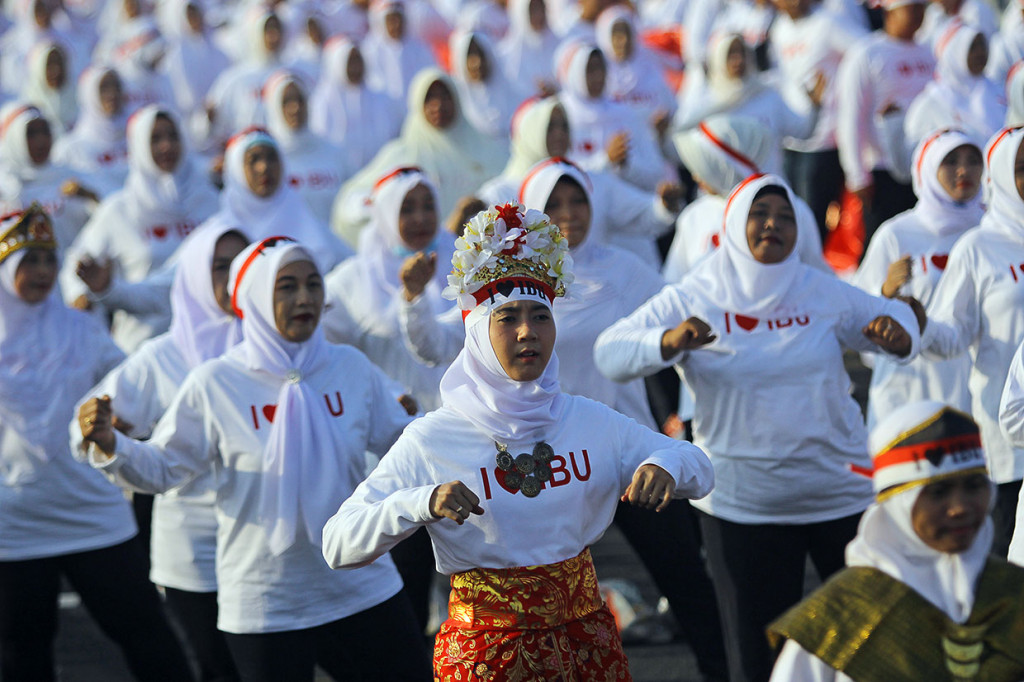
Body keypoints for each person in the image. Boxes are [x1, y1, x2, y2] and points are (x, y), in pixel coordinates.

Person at [322, 201, 715, 679]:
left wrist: (666, 465)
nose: (528, 332)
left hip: (585, 647)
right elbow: (338, 544)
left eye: (541, 316)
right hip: (486, 655)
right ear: (479, 332)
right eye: (507, 317)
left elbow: (699, 466)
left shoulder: (584, 418)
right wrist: (421, 502)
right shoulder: (434, 437)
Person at [594, 174, 920, 682]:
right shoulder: (698, 291)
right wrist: (668, 340)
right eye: (759, 214)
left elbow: (896, 327)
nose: (773, 225)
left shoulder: (818, 288)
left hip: (839, 493)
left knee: (876, 647)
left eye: (786, 216)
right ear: (733, 222)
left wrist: (899, 337)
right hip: (744, 504)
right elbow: (609, 353)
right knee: (756, 661)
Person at [79, 236, 431, 682]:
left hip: (360, 585)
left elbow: (402, 448)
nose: (304, 298)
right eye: (285, 286)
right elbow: (166, 467)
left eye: (313, 284)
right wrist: (114, 446)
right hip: (267, 600)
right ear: (254, 298)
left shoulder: (350, 367)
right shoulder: (217, 382)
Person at [0, 205, 193, 682]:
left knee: (149, 637)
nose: (44, 272)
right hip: (15, 522)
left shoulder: (81, 328)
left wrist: (123, 422)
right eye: (29, 261)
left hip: (92, 511)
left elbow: (133, 388)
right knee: (23, 654)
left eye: (49, 259)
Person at [72, 223, 249, 682]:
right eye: (220, 266)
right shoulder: (163, 356)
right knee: (219, 668)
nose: (233, 278)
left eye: (243, 265)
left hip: (265, 540)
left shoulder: (275, 346)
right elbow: (84, 428)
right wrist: (108, 432)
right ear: (191, 275)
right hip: (193, 549)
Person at [768, 401, 1024, 682]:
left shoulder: (1011, 591)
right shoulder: (842, 614)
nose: (960, 507)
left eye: (974, 486)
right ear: (897, 504)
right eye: (938, 492)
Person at [922, 125, 1024, 557]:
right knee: (1004, 563)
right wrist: (914, 322)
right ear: (999, 177)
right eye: (1021, 168)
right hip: (1008, 433)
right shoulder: (979, 247)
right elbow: (950, 336)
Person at [60, 105, 219, 352]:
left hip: (206, 341)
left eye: (173, 136)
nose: (166, 146)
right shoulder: (120, 209)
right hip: (142, 345)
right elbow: (77, 260)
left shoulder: (209, 201)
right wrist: (82, 293)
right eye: (155, 139)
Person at [854, 129, 982, 431]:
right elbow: (855, 314)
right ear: (927, 167)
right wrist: (884, 291)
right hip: (908, 387)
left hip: (970, 385)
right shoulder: (898, 234)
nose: (963, 170)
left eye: (973, 160)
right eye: (950, 161)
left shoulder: (989, 231)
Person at [332, 68, 506, 246]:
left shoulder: (488, 149)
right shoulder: (401, 154)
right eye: (429, 98)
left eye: (445, 96)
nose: (438, 105)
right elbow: (352, 201)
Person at [834, 0, 934, 247]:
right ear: (891, 11)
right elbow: (851, 117)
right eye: (912, 8)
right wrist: (857, 175)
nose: (919, 15)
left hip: (923, 167)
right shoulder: (867, 53)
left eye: (922, 8)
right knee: (882, 244)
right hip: (882, 169)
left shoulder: (928, 52)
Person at [217, 126, 351, 273]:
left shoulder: (309, 223)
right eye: (253, 160)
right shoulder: (221, 234)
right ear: (236, 170)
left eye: (272, 158)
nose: (264, 167)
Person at [262, 70, 348, 225]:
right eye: (286, 101)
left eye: (300, 99)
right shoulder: (266, 158)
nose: (295, 108)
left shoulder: (333, 152)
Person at [903, 23, 1004, 151]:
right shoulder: (932, 102)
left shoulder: (999, 92)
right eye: (972, 47)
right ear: (953, 53)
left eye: (982, 45)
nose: (980, 52)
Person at [308, 37, 401, 172]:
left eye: (359, 60)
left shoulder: (382, 99)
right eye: (350, 61)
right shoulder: (322, 103)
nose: (356, 67)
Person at [52, 65, 129, 197]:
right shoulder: (69, 149)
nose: (112, 94)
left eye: (116, 86)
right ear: (89, 94)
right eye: (104, 88)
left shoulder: (138, 140)